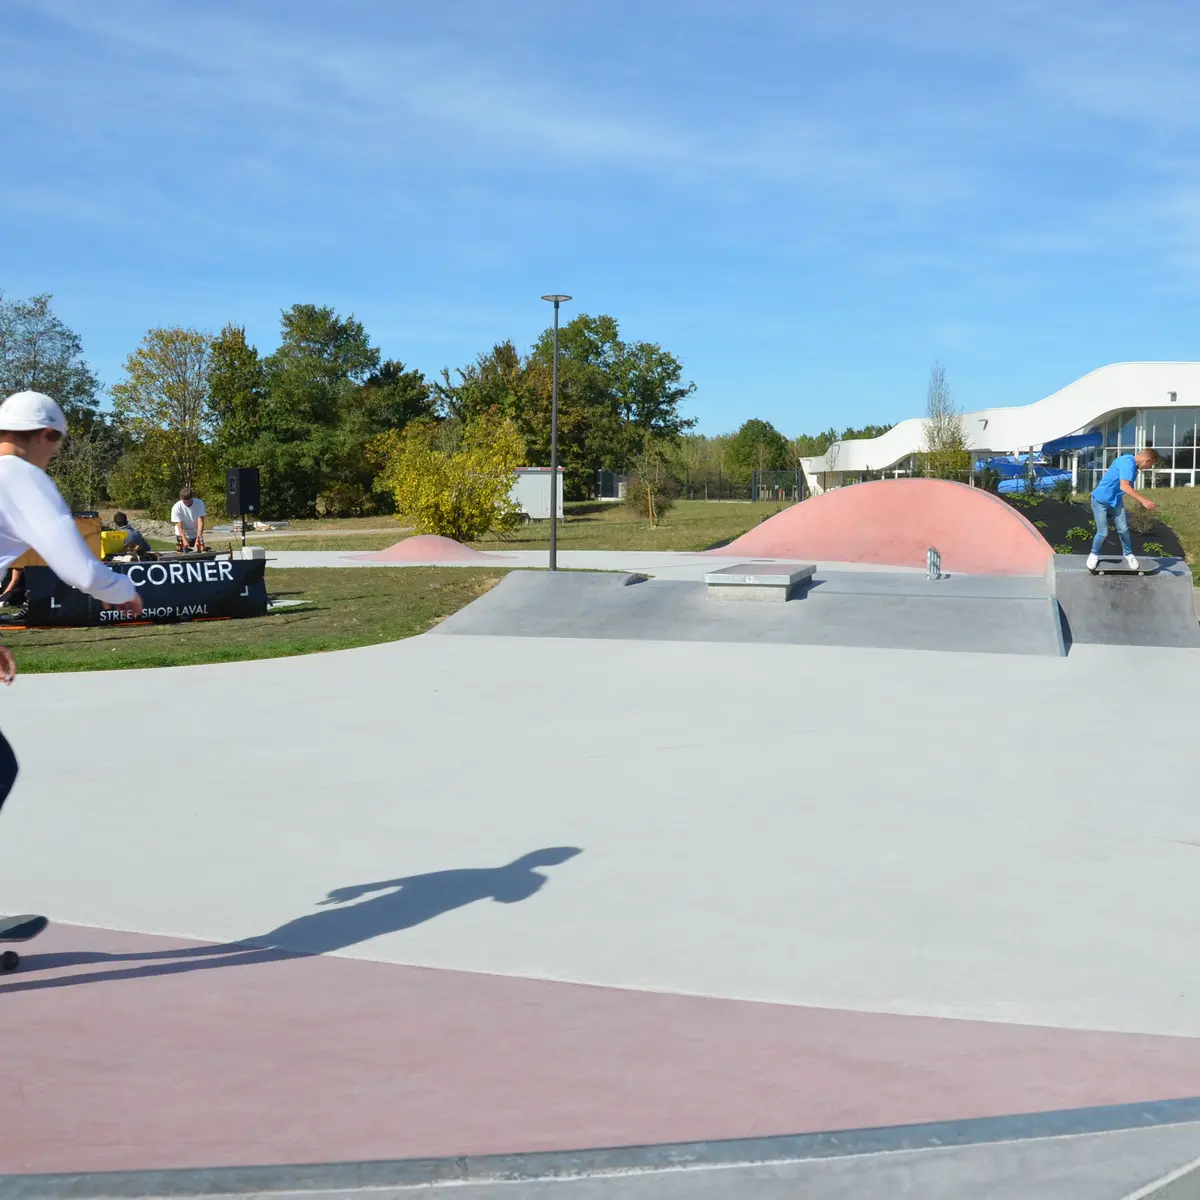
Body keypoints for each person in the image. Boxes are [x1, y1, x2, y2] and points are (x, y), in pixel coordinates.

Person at [0, 391, 143, 893]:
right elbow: (78, 567)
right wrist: (124, 591)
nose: (57, 453)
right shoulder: (21, 478)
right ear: (44, 435)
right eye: (57, 442)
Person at [1087, 448, 1160, 571]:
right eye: (1150, 465)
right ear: (1147, 460)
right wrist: (1143, 500)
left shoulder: (1131, 465)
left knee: (1123, 529)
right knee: (1103, 532)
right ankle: (1094, 554)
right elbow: (1124, 486)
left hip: (1116, 501)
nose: (1147, 468)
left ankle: (1128, 554)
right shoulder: (1127, 463)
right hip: (1099, 500)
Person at [171, 487, 206, 552]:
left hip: (195, 533)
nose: (187, 503)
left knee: (199, 551)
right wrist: (184, 540)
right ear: (181, 499)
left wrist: (198, 539)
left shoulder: (200, 503)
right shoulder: (176, 507)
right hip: (182, 533)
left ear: (192, 497)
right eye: (185, 502)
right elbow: (180, 528)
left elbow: (200, 522)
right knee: (184, 552)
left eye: (189, 501)